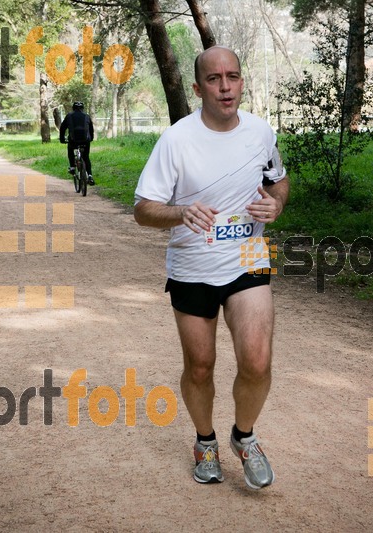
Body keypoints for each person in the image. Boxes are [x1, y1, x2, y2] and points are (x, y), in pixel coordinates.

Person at [133, 46, 289, 489]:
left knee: (256, 361)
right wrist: (181, 212)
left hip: (246, 258)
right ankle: (205, 441)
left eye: (233, 77)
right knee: (200, 366)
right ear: (199, 87)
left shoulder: (260, 132)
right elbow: (143, 210)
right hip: (192, 266)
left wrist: (275, 203)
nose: (226, 87)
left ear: (242, 82)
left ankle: (245, 436)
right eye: (215, 79)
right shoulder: (176, 140)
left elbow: (278, 181)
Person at [59, 101, 95, 186]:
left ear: (73, 108)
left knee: (70, 149)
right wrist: (91, 139)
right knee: (86, 157)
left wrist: (62, 139)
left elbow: (62, 128)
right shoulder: (87, 116)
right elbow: (91, 130)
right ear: (82, 108)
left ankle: (72, 167)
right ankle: (90, 175)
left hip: (73, 141)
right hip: (85, 141)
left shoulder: (69, 116)